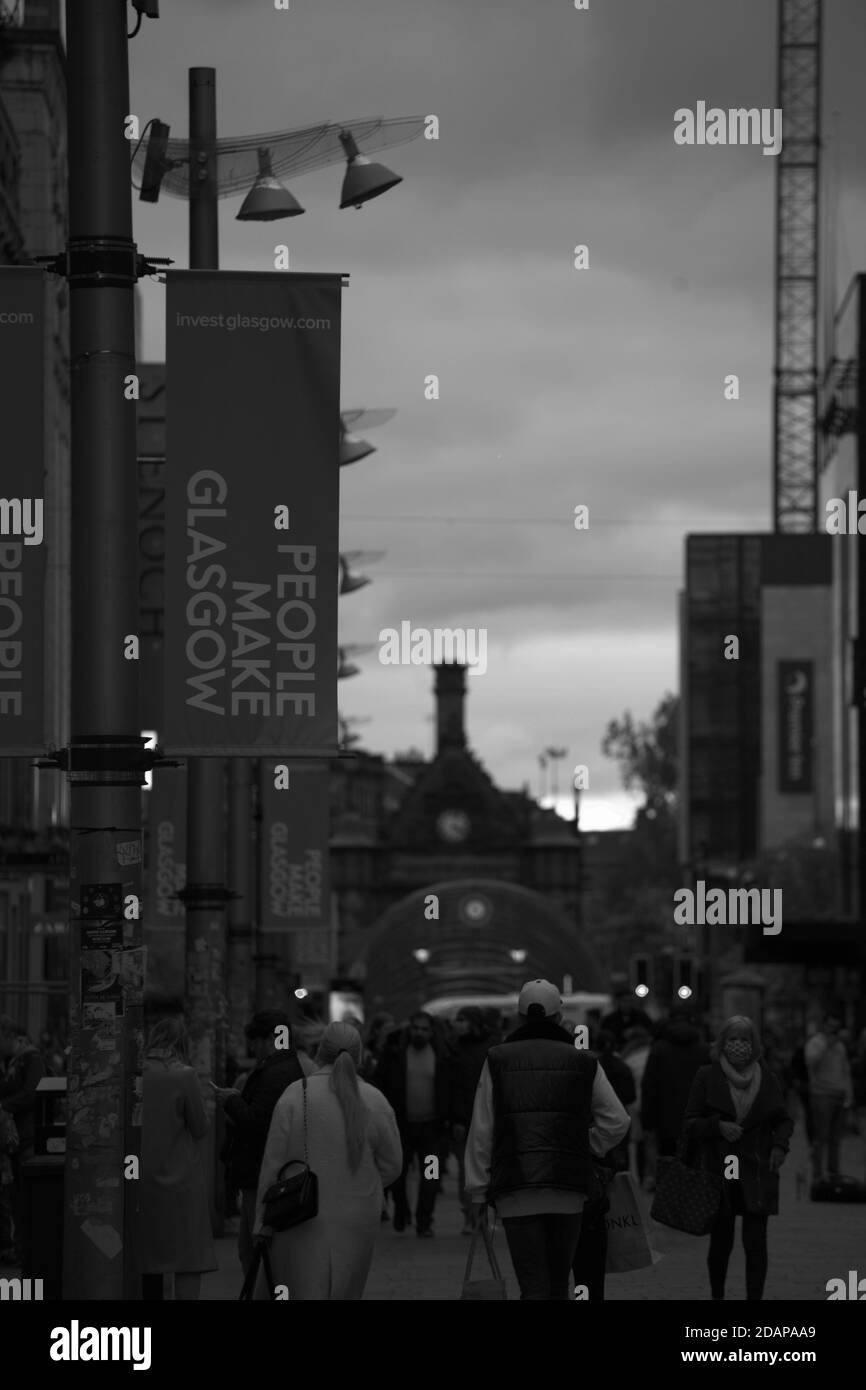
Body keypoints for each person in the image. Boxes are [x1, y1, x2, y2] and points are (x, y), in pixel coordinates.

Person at [465, 979, 630, 1301]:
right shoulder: (583, 1060)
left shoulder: (497, 1059)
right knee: (558, 1284)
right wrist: (585, 1146)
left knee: (533, 1285)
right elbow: (617, 1121)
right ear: (559, 1016)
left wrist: (477, 1190)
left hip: (516, 1187)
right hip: (568, 1186)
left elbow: (482, 1127)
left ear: (520, 1016)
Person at [255, 1021, 402, 1300]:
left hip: (299, 1214)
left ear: (320, 1051)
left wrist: (261, 1222)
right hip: (358, 1215)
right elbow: (392, 1164)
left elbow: (273, 1164)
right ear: (359, 1055)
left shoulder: (295, 1095)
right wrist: (362, 1181)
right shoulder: (375, 1100)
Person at [684, 1015, 793, 1302]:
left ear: (754, 1045)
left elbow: (783, 1120)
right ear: (722, 1043)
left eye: (745, 1039)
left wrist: (780, 1147)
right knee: (721, 1240)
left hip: (756, 1168)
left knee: (756, 1242)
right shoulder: (706, 1076)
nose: (738, 1045)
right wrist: (717, 1126)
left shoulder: (768, 1079)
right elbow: (690, 1122)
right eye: (732, 1039)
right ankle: (717, 1295)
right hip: (720, 1167)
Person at [214, 1009, 304, 1277]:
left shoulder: (276, 1072)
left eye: (254, 1041)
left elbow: (256, 1122)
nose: (252, 1048)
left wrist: (231, 1101)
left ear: (268, 1039)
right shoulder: (285, 1066)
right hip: (262, 1172)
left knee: (257, 1251)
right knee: (249, 1250)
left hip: (261, 1174)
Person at [136, 1017, 216, 1300]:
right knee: (187, 1259)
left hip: (141, 1177)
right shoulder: (184, 1075)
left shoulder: (136, 1073)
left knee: (148, 1255)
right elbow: (200, 1127)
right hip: (182, 1180)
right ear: (181, 1043)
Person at [377, 1010, 452, 1236]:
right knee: (398, 1175)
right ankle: (402, 1211)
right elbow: (382, 1084)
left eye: (424, 1029)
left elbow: (450, 1089)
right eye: (416, 1028)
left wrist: (450, 1118)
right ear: (410, 1030)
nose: (420, 1032)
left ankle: (424, 1221)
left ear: (431, 1032)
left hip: (431, 1130)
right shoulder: (396, 1054)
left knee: (430, 1178)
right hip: (402, 1128)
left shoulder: (441, 1055)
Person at [641, 1004, 710, 1182]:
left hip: (666, 1121)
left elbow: (649, 1087)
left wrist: (647, 1122)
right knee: (694, 1169)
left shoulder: (658, 1048)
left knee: (669, 1169)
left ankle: (671, 1205)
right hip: (697, 1121)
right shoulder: (703, 1048)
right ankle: (693, 1206)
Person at [0, 1020, 46, 1273]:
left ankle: (27, 1251)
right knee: (15, 1197)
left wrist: (5, 1106)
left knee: (25, 1198)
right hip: (14, 1141)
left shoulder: (31, 1060)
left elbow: (32, 1093)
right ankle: (20, 1250)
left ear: (10, 1036)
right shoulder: (11, 1062)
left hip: (27, 1137)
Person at [450, 1007, 495, 1234]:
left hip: (486, 1117)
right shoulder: (453, 1047)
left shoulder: (490, 1047)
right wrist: (455, 1118)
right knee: (466, 1170)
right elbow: (451, 1087)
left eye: (462, 1019)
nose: (457, 1024)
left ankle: (481, 1216)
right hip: (463, 1120)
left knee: (485, 1169)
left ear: (473, 1022)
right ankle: (470, 1215)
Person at [804, 1010, 852, 1181]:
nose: (833, 1031)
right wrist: (826, 1045)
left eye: (836, 1028)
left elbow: (845, 1070)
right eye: (830, 1027)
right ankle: (818, 1174)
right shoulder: (816, 1042)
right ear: (824, 1026)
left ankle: (833, 1172)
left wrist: (848, 1094)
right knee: (821, 1137)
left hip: (839, 1094)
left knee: (835, 1138)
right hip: (822, 1094)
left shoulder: (840, 1046)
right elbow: (810, 1061)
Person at [622, 1024, 653, 1185]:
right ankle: (652, 1174)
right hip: (653, 1103)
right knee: (653, 1141)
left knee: (639, 1141)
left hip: (636, 1105)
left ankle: (642, 1176)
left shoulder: (628, 1060)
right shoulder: (653, 1054)